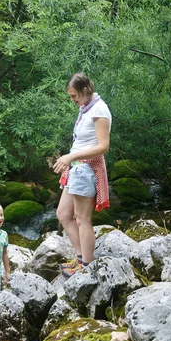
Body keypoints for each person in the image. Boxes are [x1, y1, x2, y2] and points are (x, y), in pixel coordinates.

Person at [52, 72, 112, 277]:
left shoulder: (99, 110)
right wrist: (71, 159)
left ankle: (86, 265)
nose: (73, 100)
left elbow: (103, 147)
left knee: (82, 218)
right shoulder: (85, 109)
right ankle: (80, 259)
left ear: (85, 90)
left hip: (86, 168)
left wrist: (71, 156)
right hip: (77, 168)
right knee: (63, 214)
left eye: (74, 95)